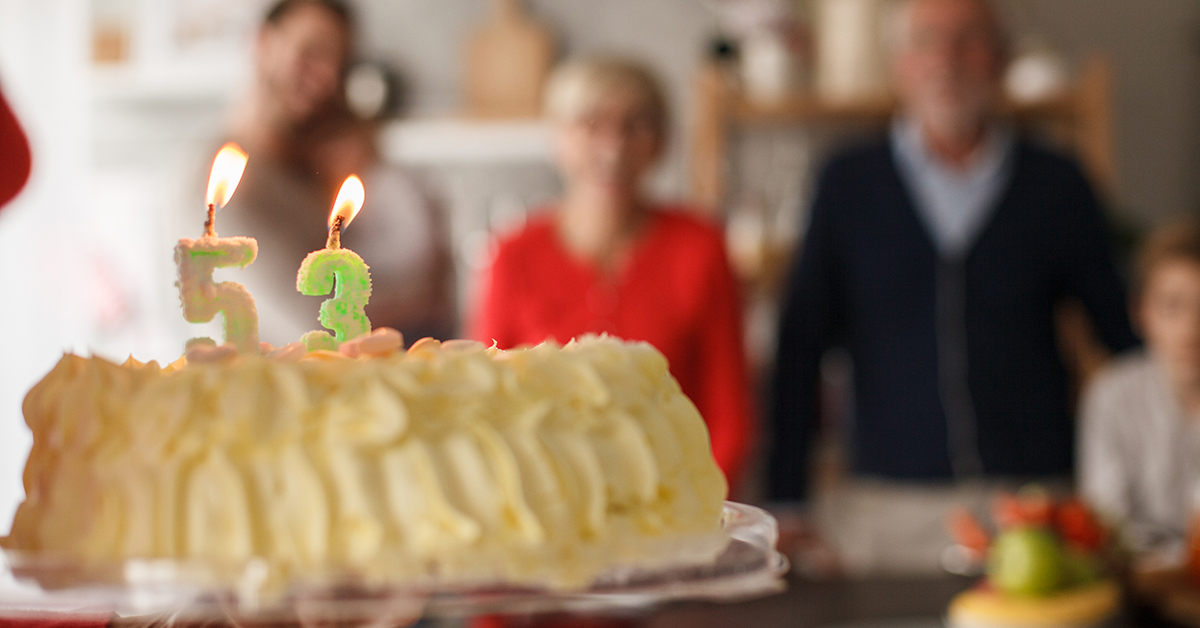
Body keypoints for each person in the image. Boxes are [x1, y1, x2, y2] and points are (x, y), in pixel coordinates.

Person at [768, 0, 1138, 573]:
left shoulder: (1058, 181)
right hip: (885, 503)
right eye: (925, 42)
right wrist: (786, 498)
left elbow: (1121, 336)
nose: (946, 61)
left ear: (1001, 58)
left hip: (1034, 498)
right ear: (898, 64)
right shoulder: (846, 182)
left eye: (968, 40)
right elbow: (800, 347)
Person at [469, 57, 753, 489]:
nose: (614, 146)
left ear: (661, 142)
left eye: (637, 125)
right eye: (591, 124)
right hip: (547, 502)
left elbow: (729, 413)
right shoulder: (513, 254)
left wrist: (695, 502)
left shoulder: (701, 248)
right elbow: (486, 401)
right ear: (558, 138)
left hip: (674, 506)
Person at [219, 0, 455, 346]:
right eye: (312, 52)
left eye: (341, 65)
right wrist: (420, 301)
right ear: (263, 44)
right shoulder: (229, 184)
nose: (328, 77)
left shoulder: (315, 170)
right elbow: (320, 327)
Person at [1080, 218, 1200, 554]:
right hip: (1142, 583)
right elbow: (1108, 520)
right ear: (1141, 312)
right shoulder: (1112, 395)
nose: (1191, 326)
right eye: (1173, 306)